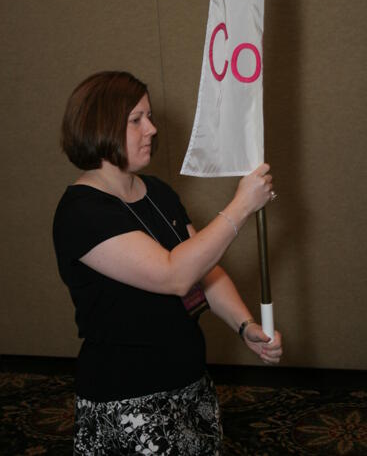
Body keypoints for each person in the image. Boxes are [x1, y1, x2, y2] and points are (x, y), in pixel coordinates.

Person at [53, 71, 282, 455]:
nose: (152, 128)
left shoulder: (157, 192)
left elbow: (205, 269)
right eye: (136, 120)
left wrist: (245, 326)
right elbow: (175, 275)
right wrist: (241, 206)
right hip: (128, 398)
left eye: (150, 116)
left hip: (189, 383)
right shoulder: (81, 212)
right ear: (101, 126)